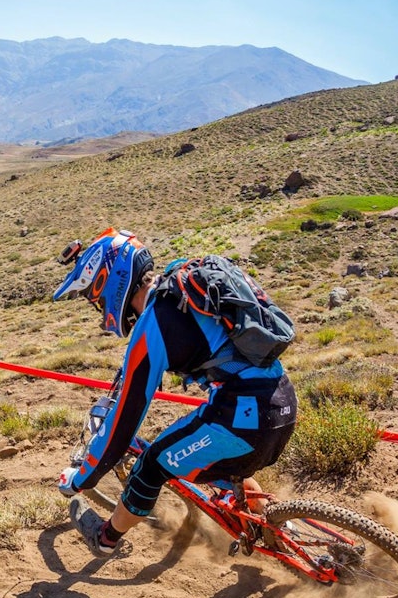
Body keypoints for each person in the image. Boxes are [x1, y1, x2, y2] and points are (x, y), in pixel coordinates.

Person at [53, 228, 297, 557]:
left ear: (110, 282)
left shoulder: (153, 323)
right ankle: (284, 531)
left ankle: (107, 538)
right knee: (216, 462)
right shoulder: (182, 290)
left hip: (242, 419)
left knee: (153, 464)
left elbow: (121, 428)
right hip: (281, 401)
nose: (98, 306)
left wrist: (81, 479)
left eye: (94, 297)